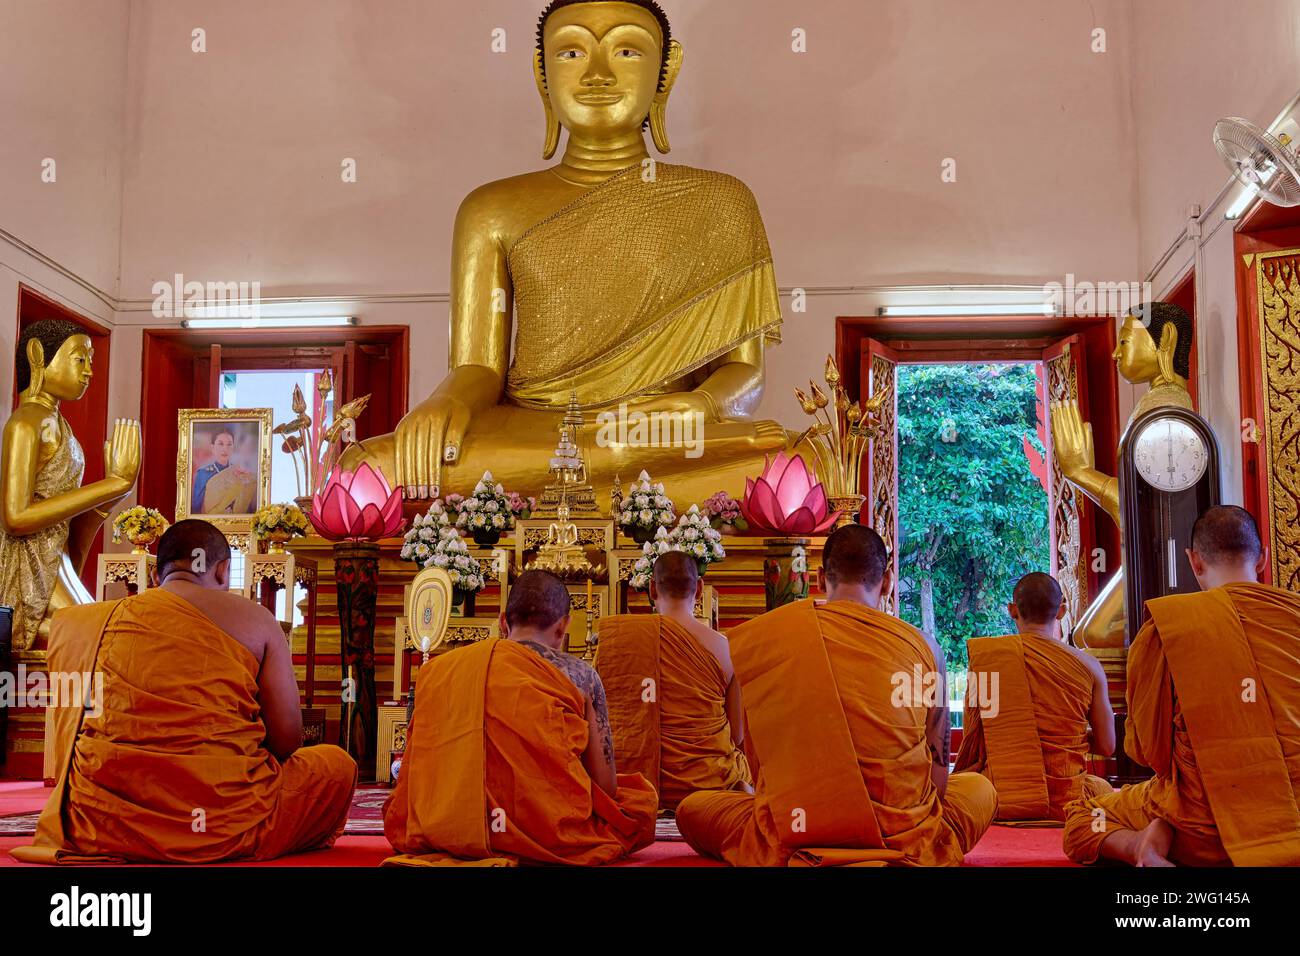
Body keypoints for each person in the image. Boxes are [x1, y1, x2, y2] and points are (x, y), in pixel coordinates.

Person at [12, 519, 357, 864]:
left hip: (104, 822)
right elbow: (286, 740)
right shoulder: (257, 620)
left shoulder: (89, 622)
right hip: (224, 820)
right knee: (336, 766)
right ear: (223, 571)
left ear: (154, 577)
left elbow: (73, 729)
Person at [675, 524, 996, 866]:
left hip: (794, 829)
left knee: (692, 809)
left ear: (818, 577)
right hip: (901, 835)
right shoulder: (925, 647)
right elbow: (938, 773)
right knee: (980, 789)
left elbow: (756, 759)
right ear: (887, 582)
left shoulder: (772, 637)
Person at [1062, 506, 1300, 866]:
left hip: (1202, 828)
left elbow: (1145, 751)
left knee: (1086, 816)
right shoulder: (1293, 614)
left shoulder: (1169, 628)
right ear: (1263, 558)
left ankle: (1141, 845)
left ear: (1194, 560)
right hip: (1294, 817)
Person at [384, 569, 656, 865]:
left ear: (503, 621)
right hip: (550, 830)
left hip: (446, 825)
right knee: (637, 800)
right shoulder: (582, 676)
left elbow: (416, 770)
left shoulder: (442, 670)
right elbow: (606, 786)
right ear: (563, 626)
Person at [594, 550, 751, 811]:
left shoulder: (618, 640)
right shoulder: (724, 648)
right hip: (706, 784)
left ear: (653, 588)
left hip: (632, 782)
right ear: (699, 589)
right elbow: (736, 734)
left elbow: (600, 722)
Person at [955, 572, 1115, 823]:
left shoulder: (989, 658)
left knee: (967, 790)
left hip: (1001, 796)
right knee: (1102, 792)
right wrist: (1066, 737)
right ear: (1062, 610)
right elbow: (1107, 745)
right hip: (1067, 799)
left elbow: (974, 736)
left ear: (1012, 610)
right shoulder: (1089, 666)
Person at [191, 428, 254, 514]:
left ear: (233, 447)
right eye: (221, 444)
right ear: (212, 447)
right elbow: (196, 509)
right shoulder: (203, 474)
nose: (225, 449)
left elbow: (248, 509)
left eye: (229, 444)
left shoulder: (241, 473)